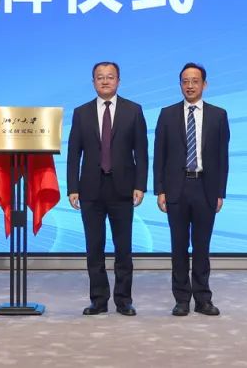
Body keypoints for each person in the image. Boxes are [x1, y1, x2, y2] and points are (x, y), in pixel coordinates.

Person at [66, 61, 148, 316]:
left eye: (110, 77)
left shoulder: (133, 110)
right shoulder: (81, 112)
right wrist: (72, 187)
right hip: (90, 189)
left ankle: (124, 300)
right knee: (94, 247)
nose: (105, 81)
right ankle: (98, 300)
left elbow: (141, 152)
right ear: (93, 82)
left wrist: (140, 185)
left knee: (123, 248)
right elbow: (73, 153)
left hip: (123, 188)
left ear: (118, 81)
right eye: (100, 77)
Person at [153, 62, 229, 316]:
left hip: (206, 187)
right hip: (176, 188)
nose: (190, 85)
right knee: (178, 246)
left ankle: (203, 299)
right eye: (185, 81)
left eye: (195, 81)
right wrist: (160, 190)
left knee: (201, 246)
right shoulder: (167, 114)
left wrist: (220, 192)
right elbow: (159, 155)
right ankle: (181, 299)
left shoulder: (218, 115)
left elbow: (222, 157)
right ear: (180, 85)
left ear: (204, 84)